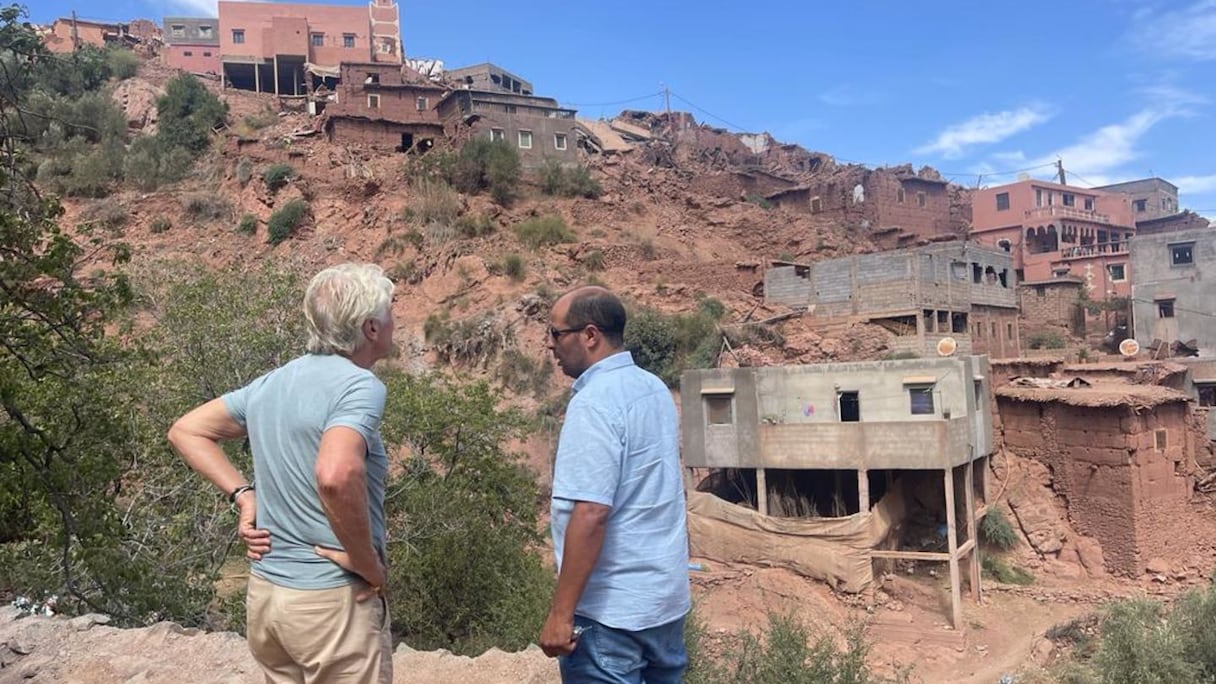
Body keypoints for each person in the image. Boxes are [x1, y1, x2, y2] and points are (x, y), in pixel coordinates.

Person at [168, 263, 396, 684]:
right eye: (390, 312)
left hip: (269, 599)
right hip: (329, 602)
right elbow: (335, 474)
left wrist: (244, 495)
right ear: (370, 328)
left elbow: (188, 430)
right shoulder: (359, 386)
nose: (394, 320)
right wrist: (368, 565)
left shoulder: (272, 382)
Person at [539, 286, 691, 684]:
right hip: (664, 604)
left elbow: (591, 513)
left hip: (611, 617)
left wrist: (561, 614)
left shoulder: (594, 403)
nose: (550, 347)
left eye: (556, 334)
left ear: (590, 335)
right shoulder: (654, 388)